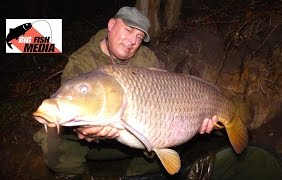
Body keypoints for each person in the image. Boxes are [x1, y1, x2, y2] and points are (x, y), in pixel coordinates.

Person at [33, 6, 217, 177]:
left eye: (138, 37)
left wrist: (196, 120)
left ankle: (135, 175)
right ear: (111, 25)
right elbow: (72, 110)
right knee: (54, 145)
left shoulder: (146, 58)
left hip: (134, 138)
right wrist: (86, 131)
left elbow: (166, 102)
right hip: (91, 144)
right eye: (128, 30)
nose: (132, 41)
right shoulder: (81, 62)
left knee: (173, 142)